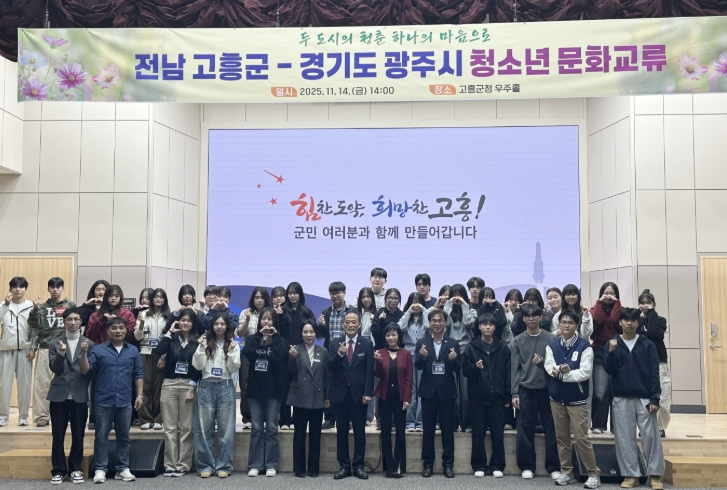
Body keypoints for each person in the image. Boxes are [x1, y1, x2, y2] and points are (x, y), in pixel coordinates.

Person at [605, 308, 664, 490]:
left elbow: (654, 372)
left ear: (638, 323)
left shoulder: (647, 344)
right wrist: (612, 351)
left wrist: (655, 398)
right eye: (626, 320)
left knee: (651, 437)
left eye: (633, 320)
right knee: (624, 438)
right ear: (620, 322)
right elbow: (609, 370)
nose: (629, 323)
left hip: (645, 397)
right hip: (621, 397)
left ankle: (655, 476)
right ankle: (631, 475)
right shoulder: (613, 343)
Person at [80, 317, 144, 484]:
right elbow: (86, 371)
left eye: (121, 328)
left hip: (124, 400)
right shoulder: (98, 350)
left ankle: (122, 468)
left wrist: (139, 395)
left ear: (126, 330)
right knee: (101, 437)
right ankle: (100, 468)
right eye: (114, 328)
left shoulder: (133, 350)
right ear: (107, 331)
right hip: (103, 400)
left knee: (124, 437)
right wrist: (84, 353)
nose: (118, 331)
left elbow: (138, 374)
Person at [544, 309, 601, 488]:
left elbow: (585, 373)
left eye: (570, 323)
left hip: (577, 399)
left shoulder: (585, 346)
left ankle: (593, 473)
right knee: (561, 438)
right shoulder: (552, 345)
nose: (566, 325)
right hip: (556, 398)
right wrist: (560, 371)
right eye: (563, 322)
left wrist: (562, 374)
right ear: (558, 324)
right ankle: (566, 472)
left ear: (576, 326)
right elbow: (549, 367)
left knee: (581, 437)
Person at [511, 303, 560, 480]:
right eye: (527, 316)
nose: (531, 318)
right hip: (526, 390)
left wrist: (542, 364)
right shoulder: (517, 341)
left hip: (547, 390)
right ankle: (527, 466)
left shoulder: (551, 339)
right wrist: (514, 393)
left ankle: (553, 467)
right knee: (524, 429)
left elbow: (554, 367)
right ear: (523, 319)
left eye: (534, 315)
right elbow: (515, 369)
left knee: (551, 429)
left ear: (540, 317)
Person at [47, 308, 93, 485]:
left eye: (76, 319)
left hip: (79, 395)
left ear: (81, 322)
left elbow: (87, 372)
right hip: (58, 395)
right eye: (69, 319)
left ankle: (75, 469)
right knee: (57, 435)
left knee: (78, 435)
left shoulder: (89, 344)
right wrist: (60, 353)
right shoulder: (54, 343)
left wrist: (84, 353)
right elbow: (54, 368)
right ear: (64, 321)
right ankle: (58, 470)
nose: (73, 322)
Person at [462, 313, 511, 479]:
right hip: (478, 398)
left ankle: (497, 465)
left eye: (490, 324)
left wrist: (507, 396)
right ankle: (479, 465)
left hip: (497, 397)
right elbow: (465, 371)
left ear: (495, 327)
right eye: (484, 324)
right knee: (478, 434)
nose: (488, 327)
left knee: (498, 434)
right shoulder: (471, 347)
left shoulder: (503, 347)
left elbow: (507, 374)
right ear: (479, 327)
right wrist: (475, 368)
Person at [192, 313, 241, 478]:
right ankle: (205, 466)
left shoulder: (233, 344)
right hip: (206, 386)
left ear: (227, 326)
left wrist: (232, 351)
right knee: (204, 429)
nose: (219, 327)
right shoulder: (205, 342)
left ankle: (224, 466)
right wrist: (201, 348)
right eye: (216, 324)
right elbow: (198, 365)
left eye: (222, 324)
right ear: (212, 326)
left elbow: (233, 368)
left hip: (225, 386)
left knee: (226, 430)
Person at [328, 311, 374, 480]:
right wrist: (340, 354)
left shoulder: (366, 343)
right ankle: (344, 466)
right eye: (347, 322)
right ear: (343, 325)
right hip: (340, 394)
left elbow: (369, 371)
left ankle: (359, 466)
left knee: (359, 432)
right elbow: (330, 366)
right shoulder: (335, 342)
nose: (350, 325)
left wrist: (368, 392)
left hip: (359, 395)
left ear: (359, 325)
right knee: (341, 432)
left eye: (354, 322)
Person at [156, 309, 202, 477]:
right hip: (169, 384)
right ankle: (170, 464)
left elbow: (198, 367)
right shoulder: (171, 339)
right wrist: (169, 332)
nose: (185, 323)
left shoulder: (197, 341)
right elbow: (158, 350)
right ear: (178, 322)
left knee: (186, 427)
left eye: (189, 321)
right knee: (169, 427)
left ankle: (183, 465)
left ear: (193, 323)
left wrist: (191, 387)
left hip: (188, 385)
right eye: (182, 320)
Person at [243, 307, 287, 477]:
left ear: (274, 322)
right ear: (259, 321)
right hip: (255, 390)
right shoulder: (253, 338)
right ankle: (255, 464)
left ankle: (271, 464)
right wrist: (260, 338)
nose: (266, 322)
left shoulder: (279, 340)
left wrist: (272, 338)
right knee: (256, 428)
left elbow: (277, 359)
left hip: (273, 391)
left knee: (271, 428)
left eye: (270, 319)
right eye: (264, 319)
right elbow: (247, 353)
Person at [416, 308, 460, 478]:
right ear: (429, 323)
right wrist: (422, 357)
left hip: (447, 392)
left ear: (445, 323)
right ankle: (428, 465)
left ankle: (448, 465)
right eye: (434, 320)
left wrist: (454, 360)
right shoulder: (422, 342)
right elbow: (418, 366)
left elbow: (458, 368)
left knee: (447, 431)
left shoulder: (453, 343)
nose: (437, 323)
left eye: (440, 320)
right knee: (428, 431)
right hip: (428, 392)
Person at [28, 277, 77, 428]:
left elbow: (77, 323)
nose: (55, 290)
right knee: (42, 383)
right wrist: (35, 309)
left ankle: (69, 414)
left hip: (67, 347)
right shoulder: (41, 307)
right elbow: (32, 324)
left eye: (58, 287)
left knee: (68, 381)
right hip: (45, 347)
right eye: (52, 287)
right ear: (48, 289)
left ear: (63, 288)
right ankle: (41, 416)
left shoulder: (70, 305)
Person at [288, 321, 330, 478]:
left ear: (316, 334)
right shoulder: (295, 350)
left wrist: (327, 396)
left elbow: (327, 376)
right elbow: (291, 372)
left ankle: (313, 469)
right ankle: (299, 469)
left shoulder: (323, 351)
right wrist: (292, 358)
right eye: (305, 332)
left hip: (318, 398)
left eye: (311, 332)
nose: (308, 335)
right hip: (300, 397)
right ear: (301, 334)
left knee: (315, 435)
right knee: (299, 435)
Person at [374, 324, 413, 478]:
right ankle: (388, 467)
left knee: (400, 432)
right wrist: (378, 362)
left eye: (393, 335)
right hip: (384, 395)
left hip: (400, 395)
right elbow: (377, 374)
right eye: (388, 335)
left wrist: (407, 398)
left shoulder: (406, 353)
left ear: (399, 336)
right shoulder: (380, 353)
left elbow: (409, 378)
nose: (390, 338)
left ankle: (398, 466)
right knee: (385, 432)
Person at [318, 282, 356, 430]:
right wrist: (321, 325)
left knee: (347, 384)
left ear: (344, 293)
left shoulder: (352, 310)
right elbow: (321, 335)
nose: (335, 296)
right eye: (332, 293)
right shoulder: (326, 311)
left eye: (338, 292)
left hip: (349, 350)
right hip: (331, 352)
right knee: (329, 384)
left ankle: (350, 418)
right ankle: (329, 417)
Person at [0, 277, 37, 427]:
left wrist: (33, 348)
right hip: (6, 350)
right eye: (15, 287)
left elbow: (35, 329)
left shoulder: (31, 306)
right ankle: (3, 416)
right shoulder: (3, 305)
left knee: (24, 385)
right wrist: (5, 306)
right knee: (4, 385)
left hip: (25, 350)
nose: (18, 289)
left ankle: (23, 416)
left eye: (21, 287)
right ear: (10, 289)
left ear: (25, 289)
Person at [279, 282, 315, 431]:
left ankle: (296, 419)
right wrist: (279, 316)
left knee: (300, 386)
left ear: (300, 294)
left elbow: (312, 332)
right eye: (290, 293)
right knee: (285, 387)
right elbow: (278, 331)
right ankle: (285, 420)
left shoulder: (306, 311)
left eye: (295, 293)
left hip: (302, 354)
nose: (292, 296)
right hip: (284, 354)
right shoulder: (281, 311)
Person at [134, 288, 171, 430]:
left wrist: (164, 357)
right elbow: (137, 337)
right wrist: (141, 323)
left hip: (162, 355)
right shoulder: (143, 314)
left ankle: (158, 419)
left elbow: (170, 339)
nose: (158, 299)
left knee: (160, 387)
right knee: (145, 386)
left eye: (161, 297)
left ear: (165, 300)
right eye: (156, 297)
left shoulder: (168, 316)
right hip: (145, 352)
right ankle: (145, 418)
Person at [236, 286, 272, 429]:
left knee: (265, 384)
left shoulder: (270, 313)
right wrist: (247, 319)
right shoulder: (246, 313)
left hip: (266, 353)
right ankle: (247, 417)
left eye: (262, 297)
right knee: (245, 385)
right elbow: (240, 334)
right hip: (248, 353)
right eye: (256, 297)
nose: (259, 300)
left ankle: (264, 417)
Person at [637, 289, 670, 438]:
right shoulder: (636, 321)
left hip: (659, 362)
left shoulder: (660, 320)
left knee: (662, 396)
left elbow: (653, 333)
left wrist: (652, 313)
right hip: (642, 363)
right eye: (642, 303)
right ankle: (645, 426)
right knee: (643, 397)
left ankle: (660, 427)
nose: (645, 305)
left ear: (654, 304)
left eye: (648, 302)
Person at [589, 282, 622, 434]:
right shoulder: (594, 309)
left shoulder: (621, 310)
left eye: (612, 293)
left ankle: (617, 426)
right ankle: (598, 424)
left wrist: (616, 303)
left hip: (617, 352)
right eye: (606, 293)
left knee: (616, 391)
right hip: (599, 351)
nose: (608, 296)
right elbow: (598, 321)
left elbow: (615, 320)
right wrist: (599, 303)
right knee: (600, 392)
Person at [443, 284, 476, 432]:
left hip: (466, 353)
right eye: (454, 295)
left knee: (465, 391)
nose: (456, 298)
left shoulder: (471, 310)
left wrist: (464, 305)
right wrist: (448, 305)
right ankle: (452, 422)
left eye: (459, 295)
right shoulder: (447, 311)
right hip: (450, 352)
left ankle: (466, 422)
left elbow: (468, 322)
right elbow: (445, 325)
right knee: (451, 390)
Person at [398, 292, 428, 432]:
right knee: (410, 389)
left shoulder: (426, 317)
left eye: (418, 302)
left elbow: (429, 327)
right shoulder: (406, 317)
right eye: (413, 302)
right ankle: (409, 422)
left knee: (422, 388)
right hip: (408, 355)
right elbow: (399, 329)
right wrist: (408, 312)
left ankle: (420, 422)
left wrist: (425, 310)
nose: (416, 305)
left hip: (423, 354)